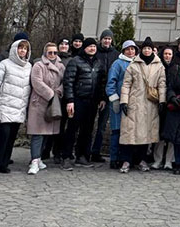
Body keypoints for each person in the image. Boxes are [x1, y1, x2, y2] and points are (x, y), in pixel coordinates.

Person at [119, 37, 166, 172]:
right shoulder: (133, 65)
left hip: (150, 104)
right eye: (145, 48)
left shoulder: (159, 66)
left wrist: (162, 101)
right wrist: (124, 101)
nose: (146, 50)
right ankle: (126, 160)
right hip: (134, 103)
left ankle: (141, 160)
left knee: (146, 134)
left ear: (152, 50)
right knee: (129, 132)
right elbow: (126, 84)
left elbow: (162, 84)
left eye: (149, 48)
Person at [0, 39, 33, 176]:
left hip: (19, 108)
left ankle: (4, 164)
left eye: (25, 49)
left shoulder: (29, 66)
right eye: (20, 48)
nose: (22, 51)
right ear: (14, 49)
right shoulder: (4, 64)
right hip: (4, 107)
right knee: (1, 137)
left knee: (11, 138)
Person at [61, 38, 106, 170]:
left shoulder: (98, 63)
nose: (92, 49)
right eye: (89, 46)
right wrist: (70, 100)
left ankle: (81, 156)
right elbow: (68, 82)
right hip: (77, 100)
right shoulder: (75, 61)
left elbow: (102, 82)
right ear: (84, 48)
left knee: (87, 130)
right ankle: (66, 156)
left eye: (94, 46)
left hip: (92, 101)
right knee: (72, 129)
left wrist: (102, 98)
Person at [27, 43, 65, 175]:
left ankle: (39, 158)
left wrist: (58, 92)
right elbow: (36, 82)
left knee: (46, 134)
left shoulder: (61, 66)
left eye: (55, 52)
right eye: (50, 52)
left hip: (54, 103)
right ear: (45, 53)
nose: (53, 55)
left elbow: (64, 82)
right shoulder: (38, 65)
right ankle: (34, 160)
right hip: (39, 102)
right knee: (37, 133)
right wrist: (51, 94)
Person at [107, 40, 137, 171]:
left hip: (133, 104)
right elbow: (111, 82)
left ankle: (127, 159)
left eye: (133, 49)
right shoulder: (117, 64)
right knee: (117, 131)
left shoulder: (138, 63)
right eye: (128, 49)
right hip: (118, 102)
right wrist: (114, 98)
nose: (130, 51)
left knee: (129, 132)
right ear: (123, 51)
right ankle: (114, 158)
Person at [91, 29, 119, 162]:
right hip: (93, 93)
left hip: (108, 95)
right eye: (105, 38)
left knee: (102, 126)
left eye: (109, 39)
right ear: (101, 39)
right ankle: (84, 151)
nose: (107, 41)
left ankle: (96, 151)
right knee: (88, 125)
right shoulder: (95, 52)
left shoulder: (116, 54)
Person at [152, 46, 176, 170]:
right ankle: (158, 159)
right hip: (159, 103)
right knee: (159, 133)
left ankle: (169, 161)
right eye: (165, 54)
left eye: (169, 54)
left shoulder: (176, 68)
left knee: (171, 134)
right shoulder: (157, 67)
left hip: (172, 104)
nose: (167, 56)